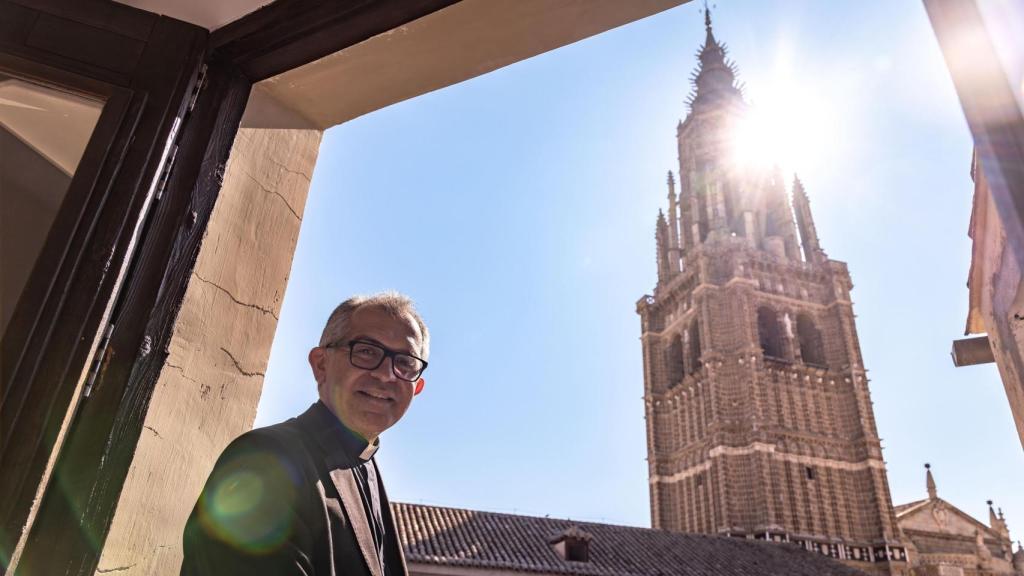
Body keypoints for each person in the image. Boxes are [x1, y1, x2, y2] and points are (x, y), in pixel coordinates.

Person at [181, 292, 429, 575]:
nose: (387, 374)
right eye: (366, 351)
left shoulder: (366, 465)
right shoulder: (266, 460)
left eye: (406, 362)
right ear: (321, 364)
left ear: (416, 387)